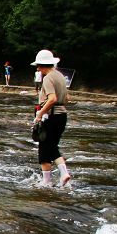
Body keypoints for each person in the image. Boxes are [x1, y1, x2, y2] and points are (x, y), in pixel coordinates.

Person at [30, 50, 71, 187]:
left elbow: (52, 98)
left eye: (38, 66)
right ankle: (64, 173)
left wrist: (40, 114)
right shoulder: (60, 75)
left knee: (44, 149)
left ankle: (46, 182)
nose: (37, 69)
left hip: (51, 116)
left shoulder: (47, 78)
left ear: (42, 65)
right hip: (62, 116)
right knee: (52, 146)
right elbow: (67, 98)